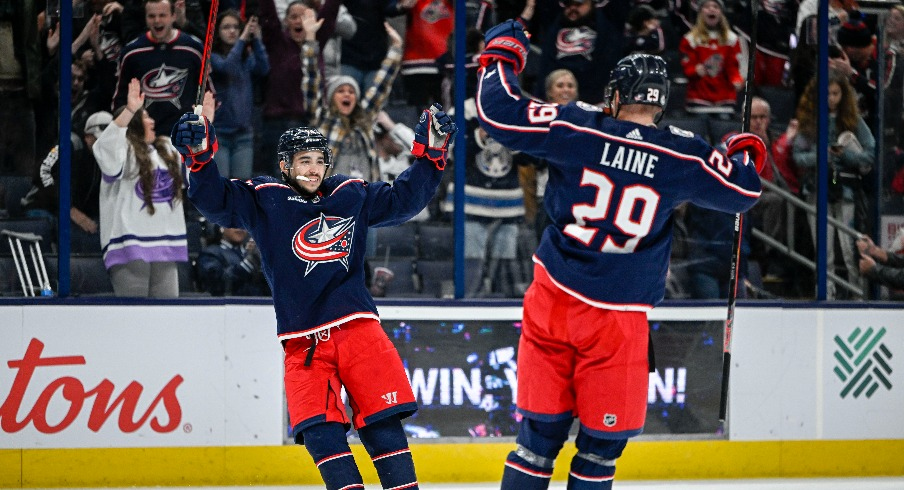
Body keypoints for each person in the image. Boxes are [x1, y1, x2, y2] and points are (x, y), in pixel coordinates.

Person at [476, 20, 764, 489]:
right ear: (661, 101)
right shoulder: (681, 155)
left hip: (553, 300)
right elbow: (743, 191)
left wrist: (502, 51)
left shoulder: (577, 125)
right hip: (618, 316)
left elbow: (499, 112)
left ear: (614, 95)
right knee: (599, 451)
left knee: (535, 441)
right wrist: (741, 150)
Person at [171, 95, 456, 490]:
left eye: (320, 160)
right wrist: (200, 158)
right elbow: (214, 201)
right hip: (303, 343)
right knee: (320, 435)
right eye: (304, 160)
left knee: (383, 427)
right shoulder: (263, 197)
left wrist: (431, 157)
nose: (314, 168)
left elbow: (403, 201)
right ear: (285, 164)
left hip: (358, 331)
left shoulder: (350, 193)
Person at [94, 78, 188, 298]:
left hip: (166, 245)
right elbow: (104, 147)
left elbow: (196, 164)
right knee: (134, 320)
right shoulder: (123, 151)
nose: (152, 121)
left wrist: (206, 124)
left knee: (166, 320)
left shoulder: (166, 149)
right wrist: (129, 110)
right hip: (130, 247)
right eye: (146, 117)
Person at [792, 70, 875, 299]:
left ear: (844, 95)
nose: (830, 98)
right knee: (824, 249)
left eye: (835, 93)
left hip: (846, 191)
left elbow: (870, 153)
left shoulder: (853, 120)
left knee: (849, 248)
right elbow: (798, 156)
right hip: (817, 190)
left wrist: (846, 155)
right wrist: (822, 156)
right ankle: (826, 294)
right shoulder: (809, 121)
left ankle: (858, 295)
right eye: (826, 94)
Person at [111, 0, 208, 136]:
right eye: (151, 16)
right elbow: (119, 101)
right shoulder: (131, 53)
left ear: (173, 16)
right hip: (145, 138)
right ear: (145, 18)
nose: (157, 20)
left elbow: (209, 94)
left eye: (162, 15)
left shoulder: (194, 48)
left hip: (186, 138)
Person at [210, 10, 270, 180]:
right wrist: (243, 39)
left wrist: (256, 39)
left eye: (236, 27)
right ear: (218, 32)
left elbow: (264, 68)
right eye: (226, 27)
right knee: (222, 184)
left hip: (243, 133)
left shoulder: (246, 58)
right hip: (219, 132)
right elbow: (227, 67)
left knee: (242, 185)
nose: (232, 31)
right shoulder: (213, 57)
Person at [533, 0, 628, 105]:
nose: (573, 8)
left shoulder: (609, 25)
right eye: (568, 4)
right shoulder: (554, 23)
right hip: (553, 103)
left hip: (594, 101)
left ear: (592, 3)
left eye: (578, 4)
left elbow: (619, 5)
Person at [678, 0, 744, 118]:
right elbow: (687, 68)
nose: (711, 9)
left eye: (715, 6)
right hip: (699, 100)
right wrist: (695, 70)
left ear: (721, 12)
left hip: (725, 101)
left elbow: (733, 67)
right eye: (707, 6)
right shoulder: (690, 39)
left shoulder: (732, 39)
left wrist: (737, 80)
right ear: (700, 12)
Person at [196, 226, 269, 296]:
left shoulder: (253, 253)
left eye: (243, 224)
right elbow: (217, 284)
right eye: (234, 224)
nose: (239, 228)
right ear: (221, 226)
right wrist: (248, 263)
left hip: (260, 305)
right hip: (228, 306)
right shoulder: (210, 253)